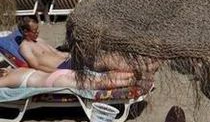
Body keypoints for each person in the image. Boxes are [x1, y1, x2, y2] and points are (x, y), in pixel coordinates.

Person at [17, 18, 158, 74]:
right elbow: (36, 65)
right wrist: (63, 73)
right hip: (64, 67)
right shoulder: (25, 47)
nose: (37, 32)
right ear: (25, 32)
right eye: (34, 31)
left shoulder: (39, 40)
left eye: (37, 29)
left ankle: (142, 62)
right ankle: (143, 68)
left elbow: (55, 52)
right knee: (104, 61)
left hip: (70, 60)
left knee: (107, 55)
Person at [0, 66, 144, 89]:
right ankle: (132, 75)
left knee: (97, 83)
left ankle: (131, 80)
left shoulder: (7, 78)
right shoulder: (15, 69)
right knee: (101, 77)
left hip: (53, 81)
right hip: (60, 73)